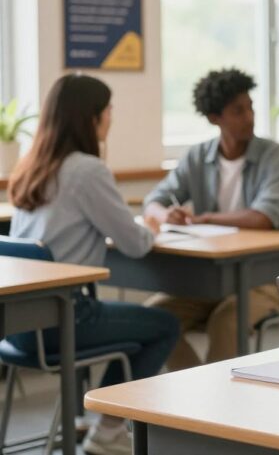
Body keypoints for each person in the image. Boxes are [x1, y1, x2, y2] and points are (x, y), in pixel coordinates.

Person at [7, 73, 178, 455]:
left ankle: (92, 420)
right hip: (66, 318)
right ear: (91, 117)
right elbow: (134, 245)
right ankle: (108, 429)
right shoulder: (87, 169)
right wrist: (152, 224)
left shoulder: (33, 165)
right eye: (109, 110)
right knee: (165, 326)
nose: (112, 118)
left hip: (21, 325)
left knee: (135, 323)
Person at [142, 68, 279, 370]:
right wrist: (165, 213)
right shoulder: (197, 157)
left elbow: (264, 217)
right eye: (238, 111)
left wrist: (205, 218)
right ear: (215, 118)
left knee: (226, 321)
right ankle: (194, 392)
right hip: (209, 279)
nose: (249, 116)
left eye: (250, 107)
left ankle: (218, 405)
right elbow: (153, 201)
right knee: (153, 320)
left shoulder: (276, 156)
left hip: (263, 279)